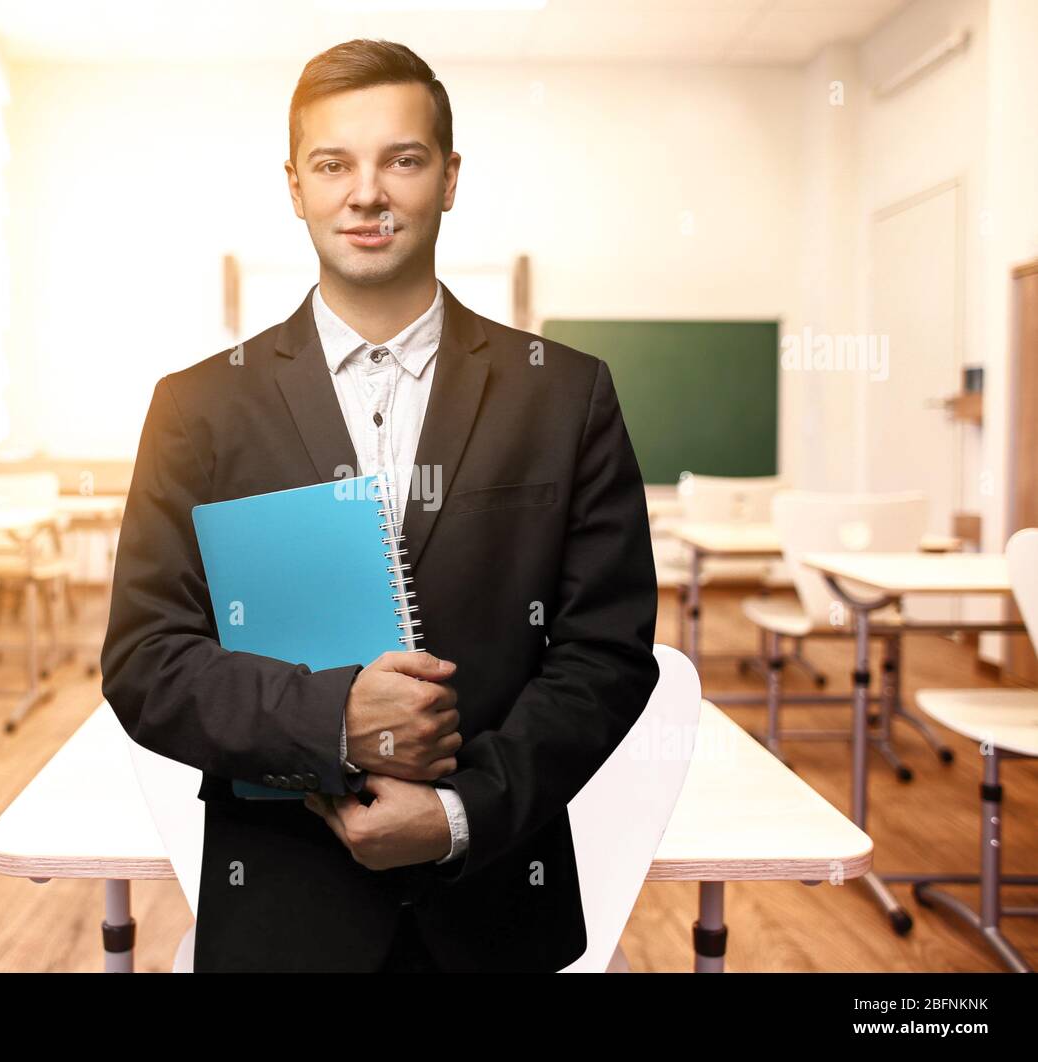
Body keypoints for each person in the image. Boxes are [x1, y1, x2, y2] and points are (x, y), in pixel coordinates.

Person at [100, 38, 659, 972]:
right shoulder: (198, 406)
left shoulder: (564, 394)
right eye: (333, 164)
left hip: (494, 908)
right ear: (295, 186)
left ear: (448, 178)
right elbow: (145, 660)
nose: (367, 193)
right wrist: (330, 719)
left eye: (402, 159)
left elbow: (606, 652)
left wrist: (458, 813)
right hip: (284, 910)